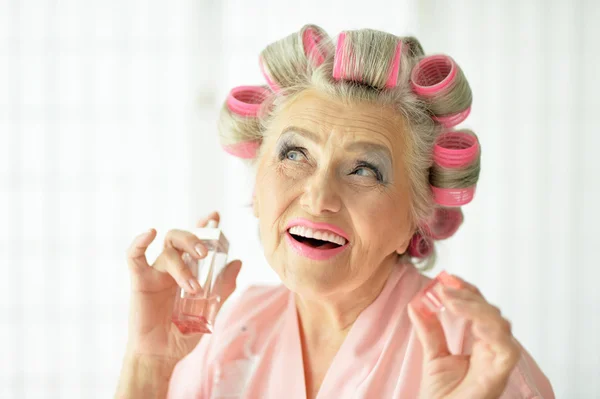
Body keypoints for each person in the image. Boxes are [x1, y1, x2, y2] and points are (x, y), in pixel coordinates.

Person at [115, 24, 554, 399]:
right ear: (257, 183)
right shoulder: (229, 331)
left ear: (414, 221)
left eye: (364, 170)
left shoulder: (476, 361)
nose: (318, 196)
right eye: (294, 155)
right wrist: (148, 366)